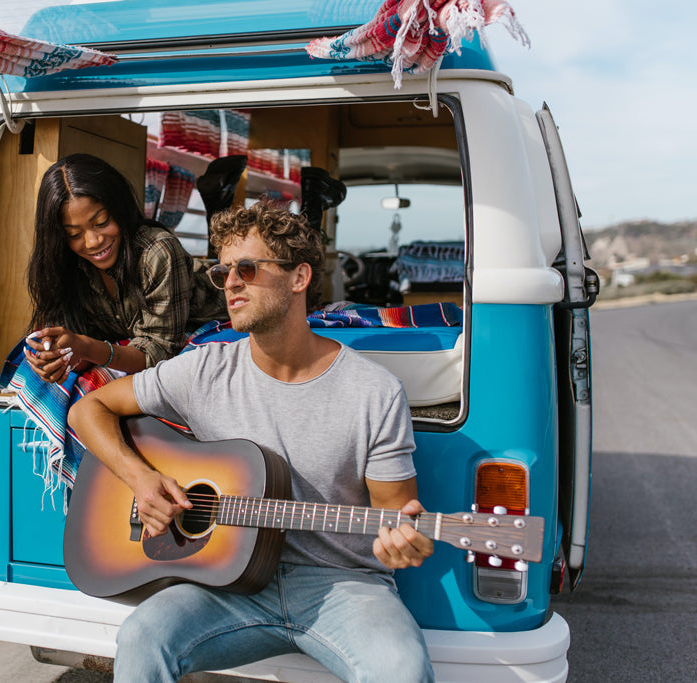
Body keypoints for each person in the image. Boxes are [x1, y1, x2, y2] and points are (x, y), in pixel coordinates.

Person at [68, 201, 435, 682]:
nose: (231, 283)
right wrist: (142, 479)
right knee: (142, 637)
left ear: (299, 277)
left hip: (344, 584)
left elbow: (396, 516)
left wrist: (401, 545)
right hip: (224, 580)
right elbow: (87, 409)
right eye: (223, 272)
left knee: (402, 670)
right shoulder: (204, 369)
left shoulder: (374, 392)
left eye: (247, 268)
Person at [24, 153, 224, 384]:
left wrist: (87, 347)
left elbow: (159, 351)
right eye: (74, 234)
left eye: (101, 223)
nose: (92, 242)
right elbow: (82, 339)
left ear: (119, 208)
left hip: (210, 312)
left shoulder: (158, 252)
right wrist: (59, 356)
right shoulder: (67, 265)